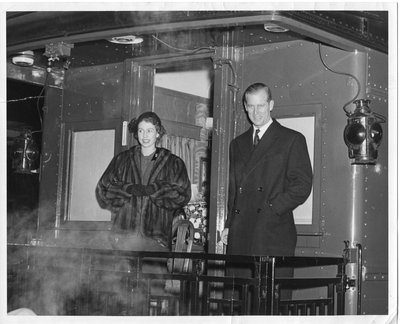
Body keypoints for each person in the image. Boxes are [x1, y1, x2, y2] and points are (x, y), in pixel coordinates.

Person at [221, 82, 313, 281]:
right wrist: (229, 224)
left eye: (261, 105)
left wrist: (273, 207)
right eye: (251, 106)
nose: (256, 112)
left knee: (269, 300)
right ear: (245, 107)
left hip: (272, 232)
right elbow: (234, 191)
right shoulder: (237, 144)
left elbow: (302, 185)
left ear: (271, 105)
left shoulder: (292, 139)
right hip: (240, 232)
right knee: (241, 299)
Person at [96, 111, 192, 253]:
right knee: (122, 275)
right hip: (124, 238)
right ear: (136, 133)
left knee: (153, 275)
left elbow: (183, 195)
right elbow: (103, 191)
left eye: (149, 131)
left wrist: (156, 190)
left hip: (157, 239)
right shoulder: (122, 160)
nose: (145, 135)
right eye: (141, 131)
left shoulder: (173, 163)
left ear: (158, 133)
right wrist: (128, 189)